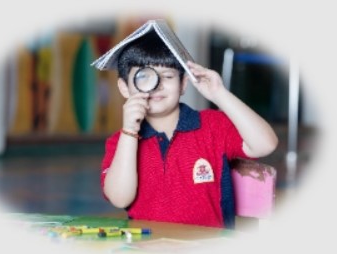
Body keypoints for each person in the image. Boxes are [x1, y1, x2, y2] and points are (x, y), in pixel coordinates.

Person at [99, 30, 278, 229]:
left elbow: (266, 144)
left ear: (183, 84)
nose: (157, 86)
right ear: (125, 87)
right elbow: (120, 199)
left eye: (167, 76)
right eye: (144, 77)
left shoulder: (212, 126)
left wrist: (219, 94)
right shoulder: (121, 142)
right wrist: (130, 132)